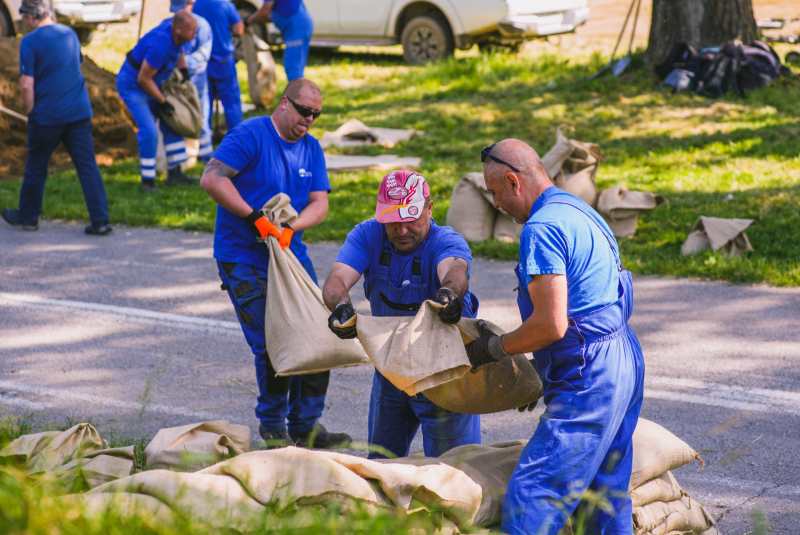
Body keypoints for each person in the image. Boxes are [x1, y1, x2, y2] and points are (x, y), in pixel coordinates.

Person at [466, 139, 645, 534]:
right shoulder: (576, 208)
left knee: (534, 494)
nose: (495, 203)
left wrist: (494, 349)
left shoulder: (542, 229)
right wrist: (541, 367)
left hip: (589, 375)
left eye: (495, 192)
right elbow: (588, 304)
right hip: (622, 360)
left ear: (514, 182)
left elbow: (551, 326)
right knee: (604, 495)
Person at [199, 78, 350, 449]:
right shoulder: (251, 135)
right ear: (284, 103)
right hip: (243, 255)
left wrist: (290, 227)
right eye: (304, 111)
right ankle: (273, 427)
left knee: (319, 333)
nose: (309, 119)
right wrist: (256, 219)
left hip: (289, 255)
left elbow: (320, 203)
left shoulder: (312, 148)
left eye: (316, 114)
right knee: (274, 341)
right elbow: (212, 179)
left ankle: (306, 425)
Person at [322, 169, 482, 460]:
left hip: (445, 378)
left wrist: (449, 295)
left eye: (410, 219)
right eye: (392, 222)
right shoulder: (367, 235)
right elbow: (336, 280)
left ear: (429, 208)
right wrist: (341, 307)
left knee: (453, 471)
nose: (401, 230)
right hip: (392, 372)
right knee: (382, 468)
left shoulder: (446, 240)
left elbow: (455, 272)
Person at [1, 0, 111, 235]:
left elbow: (26, 85)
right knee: (87, 165)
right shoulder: (69, 34)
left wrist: (31, 111)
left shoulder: (30, 41)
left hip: (47, 116)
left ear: (31, 17)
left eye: (24, 19)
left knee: (36, 167)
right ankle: (101, 220)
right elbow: (75, 68)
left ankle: (28, 216)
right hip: (79, 112)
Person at [116, 10, 198, 193]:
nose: (195, 33)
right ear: (177, 29)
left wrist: (183, 68)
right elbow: (143, 79)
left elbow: (180, 50)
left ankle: (175, 173)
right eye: (192, 29)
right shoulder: (159, 45)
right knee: (150, 131)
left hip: (153, 83)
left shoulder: (176, 33)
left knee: (172, 122)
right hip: (134, 86)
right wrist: (163, 102)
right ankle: (147, 181)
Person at [159, 0, 214, 162]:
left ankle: (206, 156)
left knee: (200, 116)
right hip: (174, 81)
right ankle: (179, 162)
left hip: (196, 79)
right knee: (176, 117)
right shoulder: (167, 24)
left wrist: (183, 64)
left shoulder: (201, 26)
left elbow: (204, 54)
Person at [193, 0, 244, 135]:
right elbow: (239, 30)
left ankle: (205, 137)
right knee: (231, 102)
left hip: (204, 60)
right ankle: (236, 137)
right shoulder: (226, 5)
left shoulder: (197, 4)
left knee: (205, 101)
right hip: (223, 60)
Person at [243, 0, 313, 81]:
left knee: (293, 66)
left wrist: (248, 20)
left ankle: (297, 92)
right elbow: (279, 12)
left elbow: (264, 12)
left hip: (296, 28)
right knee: (296, 65)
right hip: (300, 24)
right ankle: (298, 91)